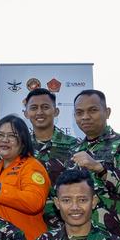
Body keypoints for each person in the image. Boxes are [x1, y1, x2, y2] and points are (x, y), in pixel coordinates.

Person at [68, 90, 120, 240]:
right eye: (79, 112)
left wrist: (99, 168)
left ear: (107, 112)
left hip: (112, 238)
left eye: (92, 110)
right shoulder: (74, 150)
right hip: (78, 239)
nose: (85, 117)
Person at [0, 114, 49, 240]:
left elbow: (35, 202)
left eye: (12, 136)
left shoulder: (32, 166)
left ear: (23, 142)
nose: (4, 140)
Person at [22, 88, 78, 229]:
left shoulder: (74, 146)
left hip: (63, 227)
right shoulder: (19, 148)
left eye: (45, 107)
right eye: (34, 108)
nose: (40, 112)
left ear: (56, 111)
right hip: (28, 225)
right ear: (26, 113)